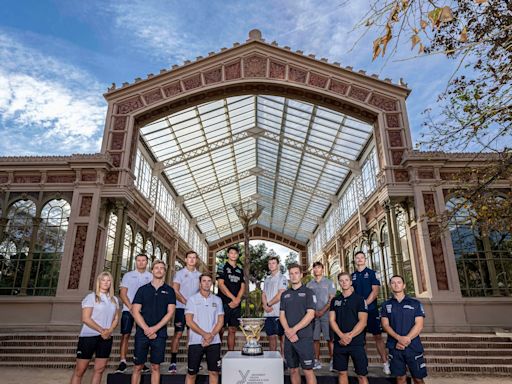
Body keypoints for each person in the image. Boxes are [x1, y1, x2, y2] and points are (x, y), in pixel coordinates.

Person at [131, 260, 176, 384]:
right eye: (156, 268)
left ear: (165, 272)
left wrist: (155, 329)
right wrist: (146, 329)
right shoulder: (142, 290)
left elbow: (170, 312)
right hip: (142, 333)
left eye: (162, 268)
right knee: (137, 367)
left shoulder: (170, 290)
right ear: (152, 270)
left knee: (156, 367)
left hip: (159, 334)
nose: (159, 270)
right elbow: (135, 311)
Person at [71, 272, 120, 384]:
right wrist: (101, 330)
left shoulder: (114, 300)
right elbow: (86, 318)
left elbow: (116, 318)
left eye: (108, 280)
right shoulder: (91, 297)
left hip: (106, 338)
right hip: (88, 337)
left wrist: (109, 331)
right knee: (80, 370)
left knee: (99, 370)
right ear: (99, 282)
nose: (106, 283)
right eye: (103, 280)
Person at [381, 275, 427, 384]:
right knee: (400, 378)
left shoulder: (415, 303)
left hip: (413, 346)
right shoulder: (386, 305)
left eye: (399, 282)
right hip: (394, 346)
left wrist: (406, 339)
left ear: (404, 285)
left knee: (418, 379)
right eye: (393, 283)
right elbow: (385, 325)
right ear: (390, 286)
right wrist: (399, 338)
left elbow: (419, 325)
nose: (396, 285)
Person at [351, 251, 390, 374]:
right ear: (355, 260)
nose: (360, 259)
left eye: (362, 257)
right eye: (357, 258)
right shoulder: (352, 276)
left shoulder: (372, 273)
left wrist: (365, 304)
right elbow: (351, 292)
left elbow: (375, 291)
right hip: (358, 313)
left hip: (371, 310)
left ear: (365, 259)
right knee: (360, 339)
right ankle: (363, 365)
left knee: (377, 337)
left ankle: (385, 363)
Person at [280, 264, 317, 384]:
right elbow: (282, 316)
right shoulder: (285, 295)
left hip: (304, 338)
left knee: (308, 370)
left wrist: (293, 330)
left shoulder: (309, 292)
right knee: (293, 370)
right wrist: (288, 332)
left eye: (296, 273)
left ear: (301, 275)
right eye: (291, 273)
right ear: (289, 276)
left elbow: (310, 314)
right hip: (289, 338)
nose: (294, 276)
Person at [329, 272, 369, 384]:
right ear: (339, 283)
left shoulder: (360, 299)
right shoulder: (335, 300)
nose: (344, 282)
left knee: (361, 375)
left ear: (351, 282)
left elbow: (363, 321)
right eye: (341, 280)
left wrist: (349, 336)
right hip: (340, 342)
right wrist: (342, 336)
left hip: (356, 342)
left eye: (346, 280)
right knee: (342, 373)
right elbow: (332, 320)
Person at [116, 253, 153, 374]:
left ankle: (140, 361)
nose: (141, 262)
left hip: (144, 312)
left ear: (147, 263)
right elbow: (123, 293)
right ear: (135, 262)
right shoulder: (128, 275)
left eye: (143, 260)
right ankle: (122, 361)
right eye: (138, 260)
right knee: (125, 335)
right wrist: (132, 308)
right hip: (128, 310)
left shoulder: (151, 276)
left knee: (141, 337)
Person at [185, 273, 224, 384]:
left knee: (214, 372)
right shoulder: (192, 299)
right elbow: (189, 321)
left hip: (214, 341)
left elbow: (220, 321)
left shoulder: (217, 300)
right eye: (204, 281)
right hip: (196, 341)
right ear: (200, 283)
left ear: (212, 283)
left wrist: (211, 335)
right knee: (192, 373)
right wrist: (204, 334)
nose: (206, 283)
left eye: (209, 281)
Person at [169, 250, 202, 374]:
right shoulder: (180, 273)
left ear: (196, 260)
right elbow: (175, 290)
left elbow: (201, 292)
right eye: (190, 258)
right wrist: (185, 301)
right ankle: (173, 362)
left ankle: (192, 363)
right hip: (181, 308)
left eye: (194, 258)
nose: (192, 260)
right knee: (178, 334)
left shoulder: (200, 275)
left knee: (192, 336)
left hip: (194, 311)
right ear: (185, 259)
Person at [306, 261, 336, 370]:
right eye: (314, 268)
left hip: (327, 314)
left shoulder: (329, 283)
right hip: (313, 315)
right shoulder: (309, 285)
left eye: (318, 267)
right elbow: (308, 301)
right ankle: (316, 361)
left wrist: (323, 311)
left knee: (330, 339)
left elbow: (331, 298)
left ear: (322, 269)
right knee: (315, 339)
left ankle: (333, 361)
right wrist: (314, 312)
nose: (316, 270)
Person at [217, 245, 245, 351]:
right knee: (220, 329)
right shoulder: (222, 266)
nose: (233, 255)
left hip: (236, 305)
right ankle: (216, 356)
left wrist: (237, 299)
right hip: (224, 303)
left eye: (235, 253)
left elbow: (242, 286)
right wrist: (234, 299)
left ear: (238, 255)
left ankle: (231, 354)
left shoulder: (240, 270)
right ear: (228, 254)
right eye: (231, 253)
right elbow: (220, 284)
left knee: (232, 329)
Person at [262, 255, 288, 355]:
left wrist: (268, 304)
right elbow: (263, 294)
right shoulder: (267, 279)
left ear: (278, 265)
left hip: (279, 313)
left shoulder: (282, 278)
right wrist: (265, 305)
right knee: (271, 338)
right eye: (269, 263)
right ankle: (273, 360)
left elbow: (280, 294)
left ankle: (283, 361)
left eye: (273, 263)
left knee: (282, 339)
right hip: (268, 314)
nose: (271, 265)